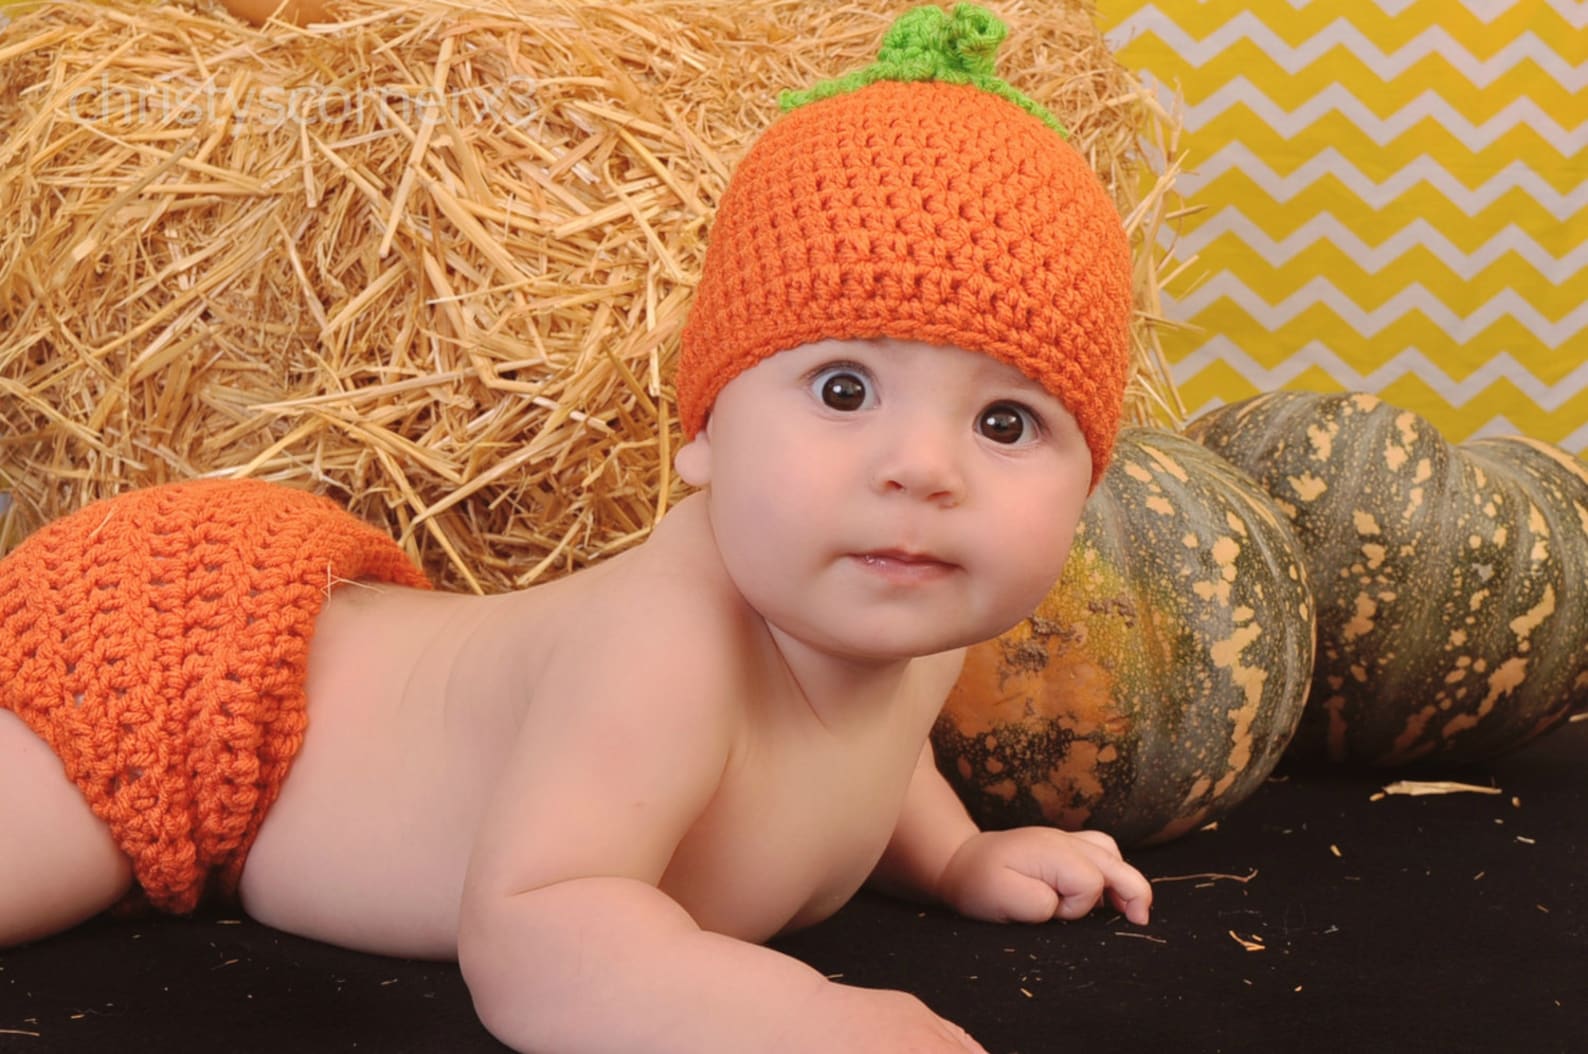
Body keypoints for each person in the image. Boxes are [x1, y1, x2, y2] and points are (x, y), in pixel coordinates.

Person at [0, 5, 1150, 1051]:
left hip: (321, 615)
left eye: (1007, 420)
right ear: (702, 434)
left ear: (1087, 476)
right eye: (844, 391)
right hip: (190, 668)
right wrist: (807, 1020)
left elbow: (872, 744)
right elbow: (537, 932)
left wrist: (949, 857)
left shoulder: (905, 613)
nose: (920, 468)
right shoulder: (665, 647)